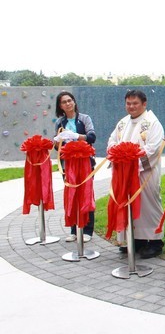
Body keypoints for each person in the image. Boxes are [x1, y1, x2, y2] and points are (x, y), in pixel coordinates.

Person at [108, 90, 165, 259]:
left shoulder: (152, 123)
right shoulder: (123, 123)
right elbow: (112, 141)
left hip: (144, 173)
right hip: (124, 174)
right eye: (128, 103)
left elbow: (153, 148)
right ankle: (136, 240)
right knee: (128, 204)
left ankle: (155, 242)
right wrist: (116, 154)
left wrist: (134, 163)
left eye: (135, 103)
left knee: (148, 205)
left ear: (144, 104)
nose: (131, 107)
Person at [53, 91, 96, 243]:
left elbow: (92, 137)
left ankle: (88, 229)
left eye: (70, 100)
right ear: (60, 106)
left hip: (85, 163)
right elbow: (57, 148)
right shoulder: (60, 123)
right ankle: (74, 229)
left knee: (86, 194)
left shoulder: (84, 118)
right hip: (68, 165)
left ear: (74, 102)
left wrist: (76, 136)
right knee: (71, 195)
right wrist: (58, 141)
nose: (68, 104)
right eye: (64, 102)